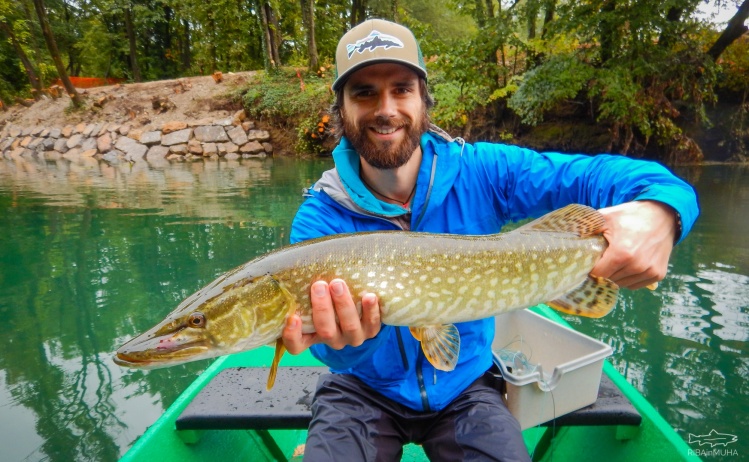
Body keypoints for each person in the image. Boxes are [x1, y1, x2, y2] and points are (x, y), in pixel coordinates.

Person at [282, 18, 699, 462]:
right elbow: (335, 354)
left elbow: (608, 175)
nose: (386, 108)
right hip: (361, 390)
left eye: (401, 88)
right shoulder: (317, 222)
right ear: (341, 109)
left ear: (424, 99)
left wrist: (662, 211)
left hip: (466, 386)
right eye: (364, 92)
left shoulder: (483, 170)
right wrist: (350, 344)